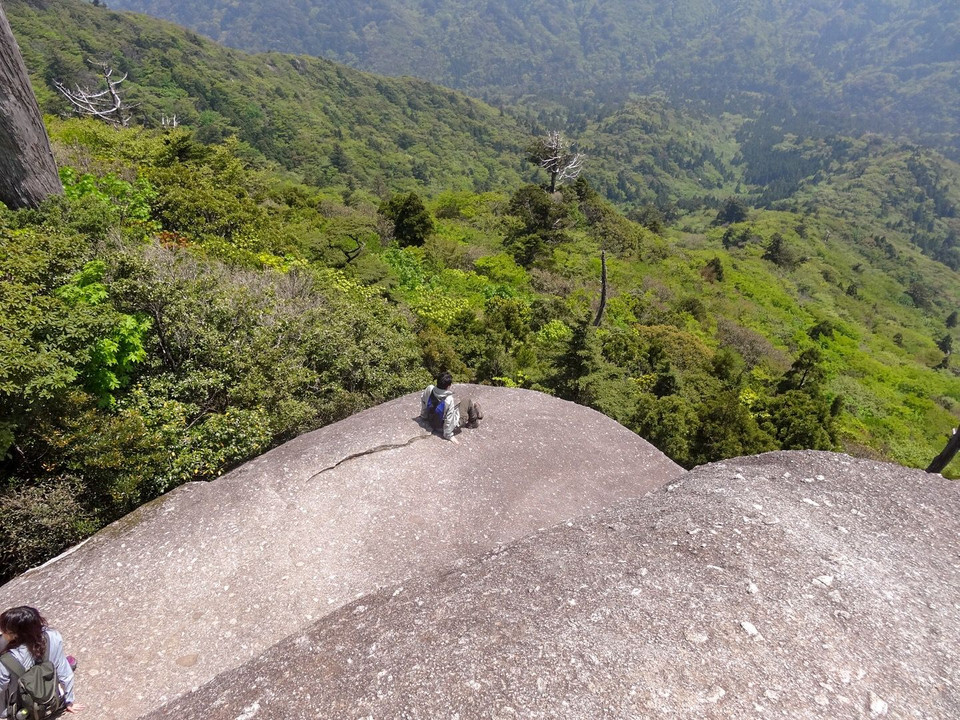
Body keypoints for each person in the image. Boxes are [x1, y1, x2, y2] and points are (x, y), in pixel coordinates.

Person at [0, 606, 82, 715]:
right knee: (61, 662)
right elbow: (65, 672)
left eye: (4, 630)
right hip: (51, 695)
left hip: (21, 706)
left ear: (14, 634)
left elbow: (1, 687)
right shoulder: (53, 636)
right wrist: (69, 701)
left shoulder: (6, 660)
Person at [420, 371, 482, 441]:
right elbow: (449, 420)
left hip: (432, 421)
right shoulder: (448, 399)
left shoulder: (430, 388)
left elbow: (424, 402)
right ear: (448, 386)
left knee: (459, 406)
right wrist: (448, 435)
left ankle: (476, 411)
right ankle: (473, 422)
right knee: (467, 401)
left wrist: (424, 416)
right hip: (442, 427)